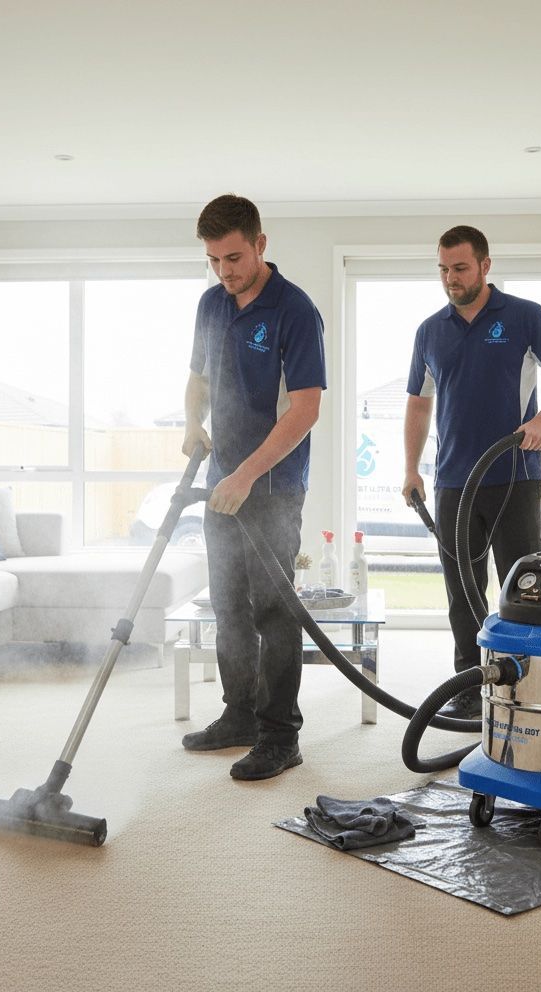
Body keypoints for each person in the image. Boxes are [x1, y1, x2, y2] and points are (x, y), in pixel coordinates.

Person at [403, 226, 541, 720]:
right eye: (442, 269)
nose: (450, 279)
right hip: (453, 483)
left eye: (459, 268)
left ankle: (526, 680)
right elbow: (419, 405)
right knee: (461, 592)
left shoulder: (524, 317)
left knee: (521, 587)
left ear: (485, 265)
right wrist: (411, 469)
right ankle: (469, 684)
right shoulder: (430, 331)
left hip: (515, 477)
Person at [180, 194, 326, 780]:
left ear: (261, 245)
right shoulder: (211, 304)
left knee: (273, 608)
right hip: (222, 484)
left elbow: (306, 409)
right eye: (214, 260)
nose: (225, 271)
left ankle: (279, 734)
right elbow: (197, 379)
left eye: (234, 257)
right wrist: (193, 420)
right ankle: (238, 714)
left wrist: (247, 474)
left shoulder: (295, 310)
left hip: (273, 485)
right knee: (227, 606)